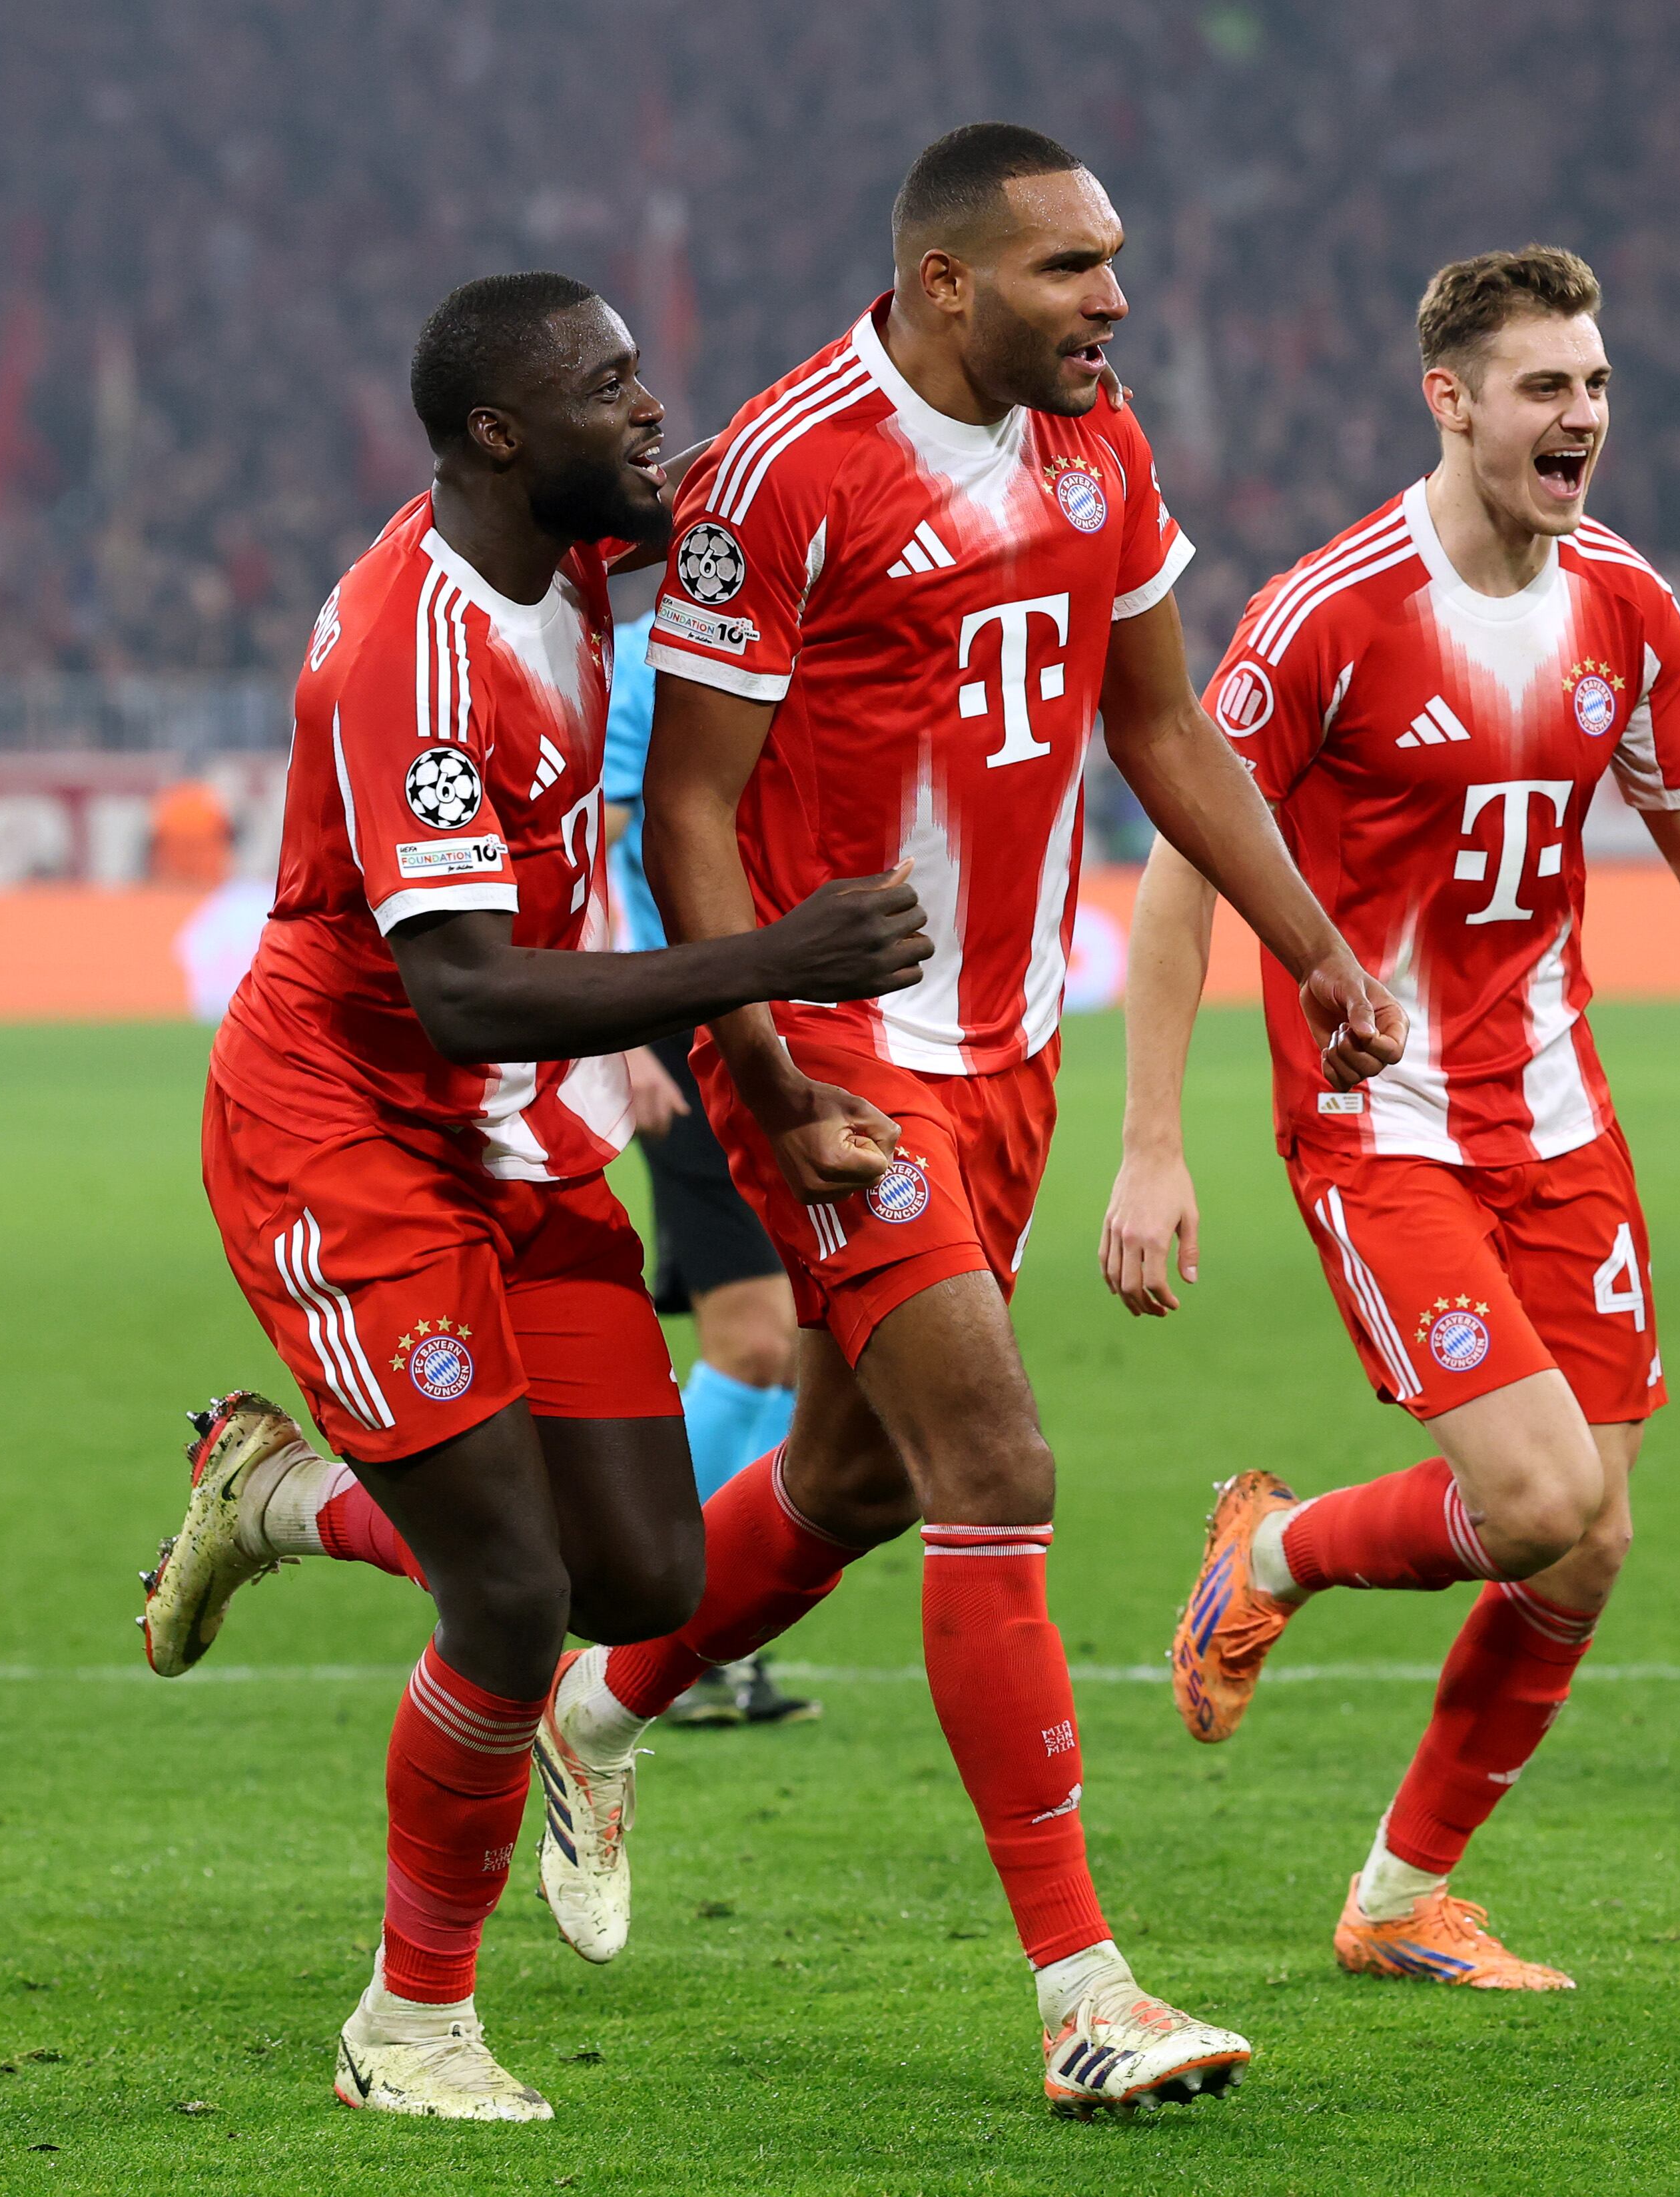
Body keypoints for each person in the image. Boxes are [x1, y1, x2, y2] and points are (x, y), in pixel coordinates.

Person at [521, 123, 1408, 2114]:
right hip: (837, 1047)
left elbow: (1160, 726)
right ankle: (1085, 1997)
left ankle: (592, 1705)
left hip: (1008, 1040)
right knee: (996, 1459)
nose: (1111, 299)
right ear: (941, 283)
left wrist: (1313, 948)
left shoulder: (1099, 444)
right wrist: (760, 1074)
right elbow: (687, 811)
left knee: (850, 1478)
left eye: (1111, 260)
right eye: (1068, 268)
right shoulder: (783, 469)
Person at [1112, 246, 1680, 1991]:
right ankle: (1269, 1544)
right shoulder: (1327, 610)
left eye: (1592, 385)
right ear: (1451, 402)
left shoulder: (1624, 606)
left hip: (1557, 1118)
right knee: (1529, 1497)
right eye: (1542, 389)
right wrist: (1147, 1139)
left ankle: (1397, 1897)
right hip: (1380, 1119)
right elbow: (1182, 866)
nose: (1579, 417)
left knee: (1584, 1549)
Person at [140, 270, 931, 2123]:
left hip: (511, 1132)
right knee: (505, 1596)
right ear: (501, 436)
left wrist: (937, 356)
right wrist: (779, 958)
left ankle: (274, 1493)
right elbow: (464, 985)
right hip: (347, 1136)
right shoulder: (406, 649)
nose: (651, 411)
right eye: (611, 387)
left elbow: (756, 458)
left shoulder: (569, 545)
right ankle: (408, 2024)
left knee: (640, 1573)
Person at [602, 600, 819, 1728]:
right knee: (754, 1338)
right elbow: (606, 838)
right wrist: (629, 1033)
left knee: (785, 1350)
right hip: (681, 1030)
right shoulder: (646, 664)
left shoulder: (787, 637)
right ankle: (645, 1628)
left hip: (765, 1023)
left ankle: (723, 1642)